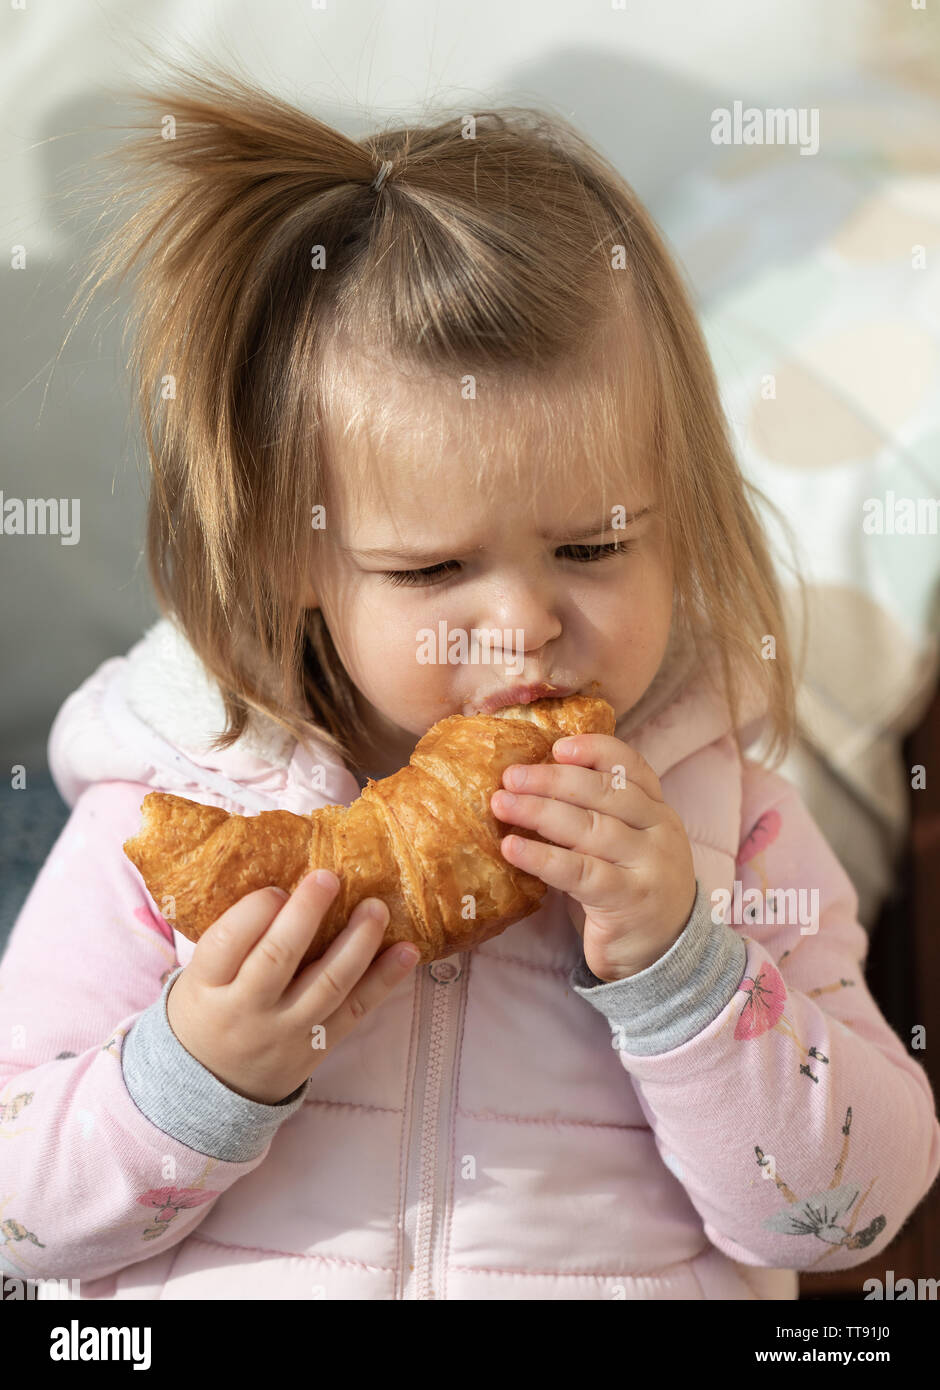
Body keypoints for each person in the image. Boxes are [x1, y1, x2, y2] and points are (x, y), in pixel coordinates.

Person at [1, 58, 937, 1302]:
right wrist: (198, 1068)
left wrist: (683, 973)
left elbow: (850, 1214)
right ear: (295, 558)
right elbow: (23, 1221)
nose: (523, 624)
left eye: (594, 546)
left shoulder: (731, 828)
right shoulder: (166, 820)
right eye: (433, 566)